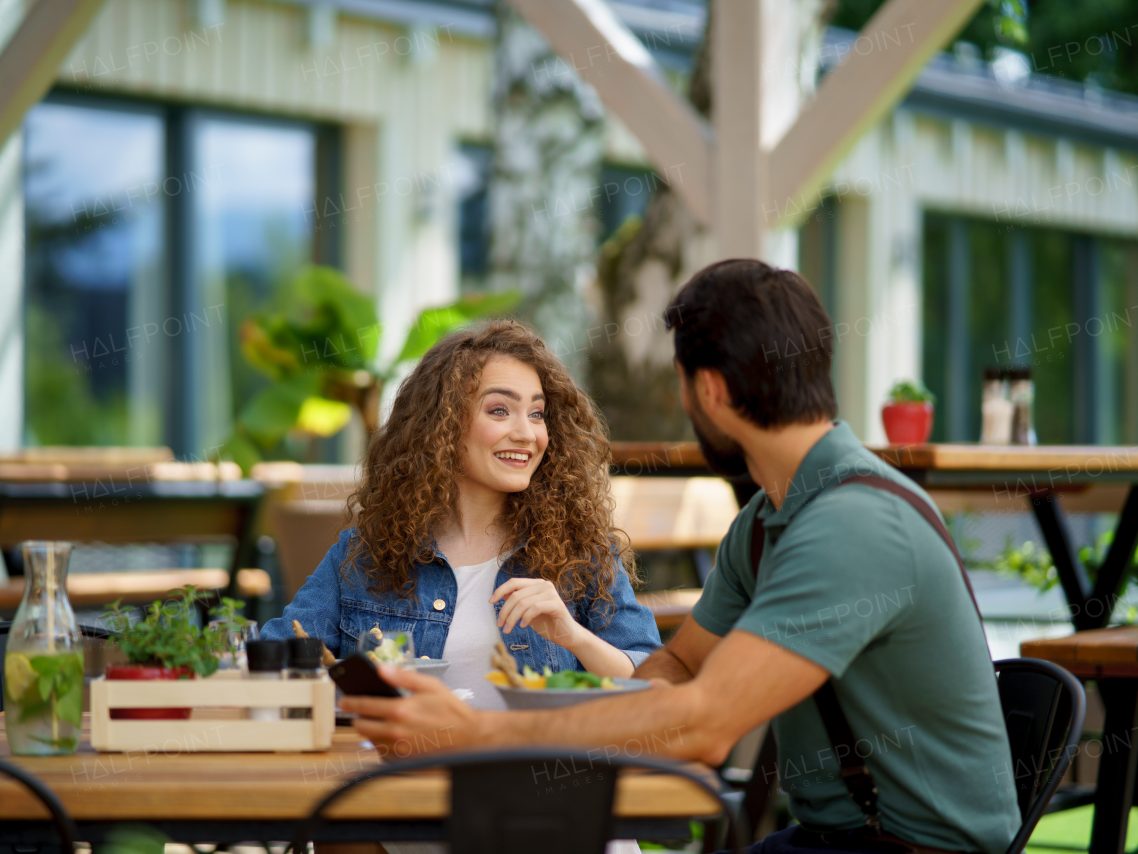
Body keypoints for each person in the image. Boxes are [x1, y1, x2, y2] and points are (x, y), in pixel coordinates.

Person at [341, 260, 1023, 854]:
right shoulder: (769, 520)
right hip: (824, 840)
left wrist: (480, 734)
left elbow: (703, 725)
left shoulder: (855, 526)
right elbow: (680, 667)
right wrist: (571, 706)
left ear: (711, 392)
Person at [261, 320, 660, 710]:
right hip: (400, 772)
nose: (527, 433)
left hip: (533, 773)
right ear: (443, 425)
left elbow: (652, 680)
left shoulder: (583, 553)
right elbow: (269, 663)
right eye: (500, 410)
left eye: (537, 414)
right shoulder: (365, 557)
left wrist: (573, 636)